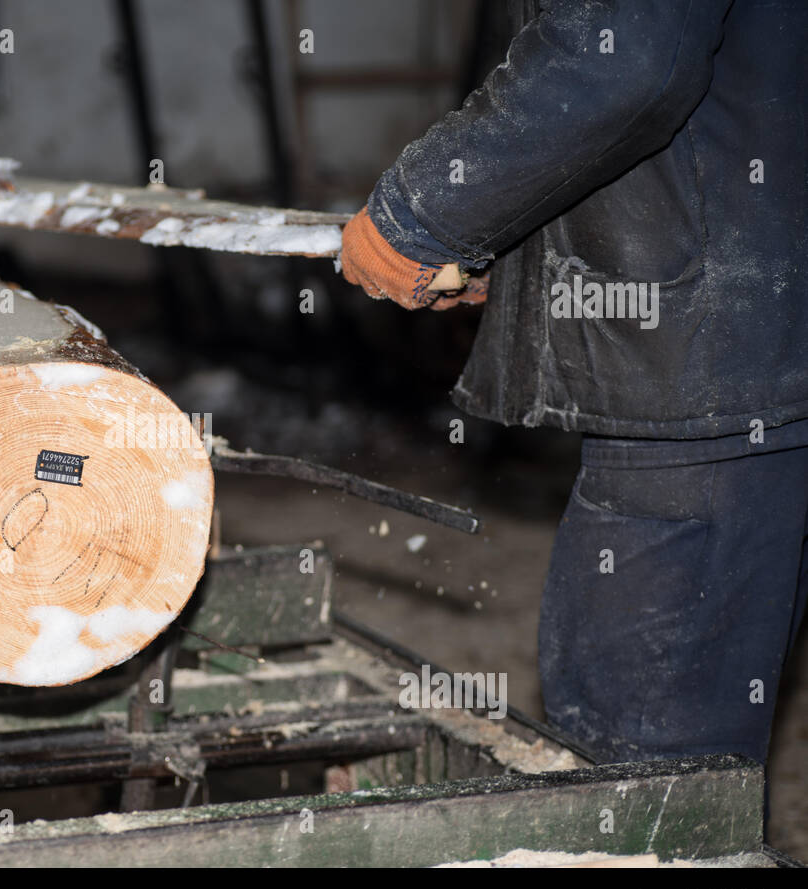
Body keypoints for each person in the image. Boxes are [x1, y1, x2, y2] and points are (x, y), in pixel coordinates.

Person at [340, 0, 806, 766]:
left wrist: (422, 216)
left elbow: (621, 59)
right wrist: (512, 250)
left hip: (703, 372)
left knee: (641, 777)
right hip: (753, 342)